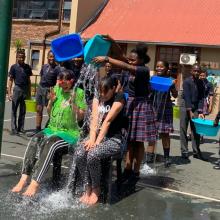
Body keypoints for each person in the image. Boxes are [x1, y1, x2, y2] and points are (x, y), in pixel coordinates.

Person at [11, 71, 86, 196]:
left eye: (63, 82)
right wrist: (50, 102)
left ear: (71, 81)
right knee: (35, 139)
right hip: (52, 128)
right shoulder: (56, 89)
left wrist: (73, 103)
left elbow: (80, 117)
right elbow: (50, 113)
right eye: (59, 82)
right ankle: (23, 179)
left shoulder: (79, 93)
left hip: (69, 134)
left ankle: (35, 183)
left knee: (51, 143)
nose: (60, 85)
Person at [93, 43, 157, 181]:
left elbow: (127, 65)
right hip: (130, 104)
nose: (130, 61)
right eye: (130, 59)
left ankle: (136, 170)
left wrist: (107, 58)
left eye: (133, 60)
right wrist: (110, 39)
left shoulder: (143, 70)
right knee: (129, 139)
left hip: (141, 106)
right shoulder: (129, 67)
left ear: (141, 60)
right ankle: (127, 167)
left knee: (138, 141)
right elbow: (122, 56)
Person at [73, 76, 126, 205]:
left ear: (113, 89)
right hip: (97, 136)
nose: (102, 94)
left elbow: (107, 121)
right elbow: (95, 119)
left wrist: (96, 143)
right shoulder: (98, 97)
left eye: (105, 91)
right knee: (79, 153)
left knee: (93, 154)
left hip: (115, 139)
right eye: (100, 91)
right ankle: (87, 187)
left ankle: (96, 188)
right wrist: (91, 139)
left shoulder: (119, 98)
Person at [146, 61, 178, 167]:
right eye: (157, 66)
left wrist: (172, 86)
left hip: (166, 107)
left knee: (165, 133)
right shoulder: (152, 79)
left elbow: (175, 95)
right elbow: (147, 92)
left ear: (166, 68)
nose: (159, 68)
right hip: (153, 107)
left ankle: (167, 157)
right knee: (152, 134)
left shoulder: (170, 80)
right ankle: (149, 158)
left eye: (161, 66)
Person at [180, 64, 206, 161]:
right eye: (194, 71)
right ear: (191, 71)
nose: (196, 73)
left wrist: (200, 111)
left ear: (200, 72)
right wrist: (189, 110)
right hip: (185, 105)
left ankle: (196, 151)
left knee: (196, 129)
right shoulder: (187, 81)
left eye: (198, 71)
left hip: (195, 107)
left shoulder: (201, 83)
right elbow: (186, 96)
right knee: (183, 128)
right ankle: (184, 151)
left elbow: (201, 98)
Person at [33, 50, 58, 135]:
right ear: (47, 57)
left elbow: (57, 83)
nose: (52, 58)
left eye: (53, 56)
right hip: (40, 88)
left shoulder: (57, 68)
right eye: (50, 56)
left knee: (50, 110)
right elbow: (41, 77)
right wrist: (38, 89)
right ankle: (37, 129)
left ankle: (50, 129)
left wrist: (53, 92)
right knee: (38, 109)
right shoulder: (44, 67)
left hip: (49, 90)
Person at [8, 49, 32, 135]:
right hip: (17, 89)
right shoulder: (13, 67)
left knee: (23, 110)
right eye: (19, 57)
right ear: (17, 57)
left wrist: (29, 93)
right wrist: (9, 92)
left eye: (23, 57)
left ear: (25, 57)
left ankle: (21, 128)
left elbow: (29, 80)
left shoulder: (28, 67)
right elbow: (10, 80)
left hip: (25, 90)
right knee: (14, 110)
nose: (21, 59)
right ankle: (14, 129)